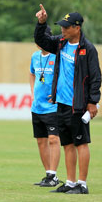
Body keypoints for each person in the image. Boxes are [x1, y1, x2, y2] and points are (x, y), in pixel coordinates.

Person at [34, 4, 102, 194]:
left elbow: (95, 77)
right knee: (68, 145)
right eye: (62, 26)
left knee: (81, 143)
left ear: (77, 28)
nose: (62, 30)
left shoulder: (87, 49)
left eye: (66, 27)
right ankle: (71, 182)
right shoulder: (61, 43)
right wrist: (41, 23)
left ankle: (82, 184)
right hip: (62, 104)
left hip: (78, 105)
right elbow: (41, 40)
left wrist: (92, 101)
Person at [29, 37, 61, 187]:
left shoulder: (57, 57)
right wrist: (32, 93)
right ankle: (48, 174)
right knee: (41, 141)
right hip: (37, 107)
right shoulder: (35, 57)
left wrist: (58, 94)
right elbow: (32, 74)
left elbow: (66, 77)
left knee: (53, 139)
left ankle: (54, 175)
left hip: (52, 107)